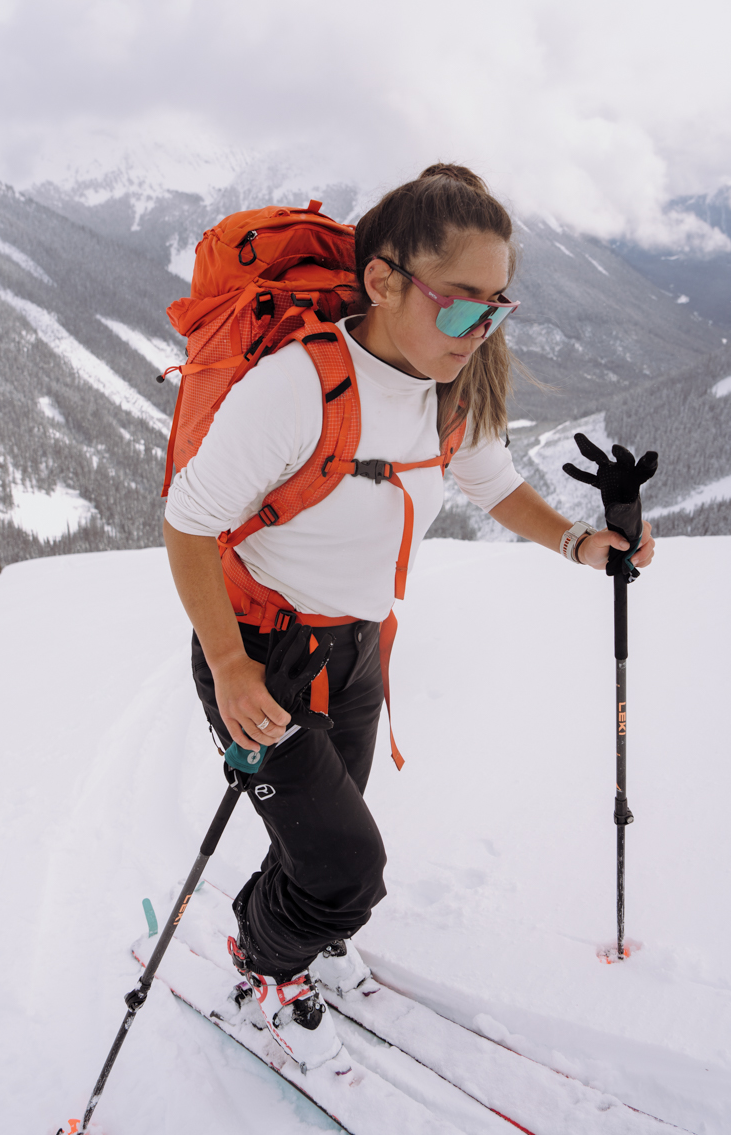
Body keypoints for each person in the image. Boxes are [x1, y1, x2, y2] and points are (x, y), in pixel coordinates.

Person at [162, 163, 655, 1071]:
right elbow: (188, 520)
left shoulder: (447, 392)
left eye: (497, 308)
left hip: (357, 655)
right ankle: (266, 964)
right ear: (383, 281)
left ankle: (302, 933)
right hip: (264, 658)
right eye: (462, 306)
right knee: (348, 870)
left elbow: (494, 486)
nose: (482, 331)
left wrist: (581, 544)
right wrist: (228, 666)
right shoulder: (299, 386)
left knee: (322, 843)